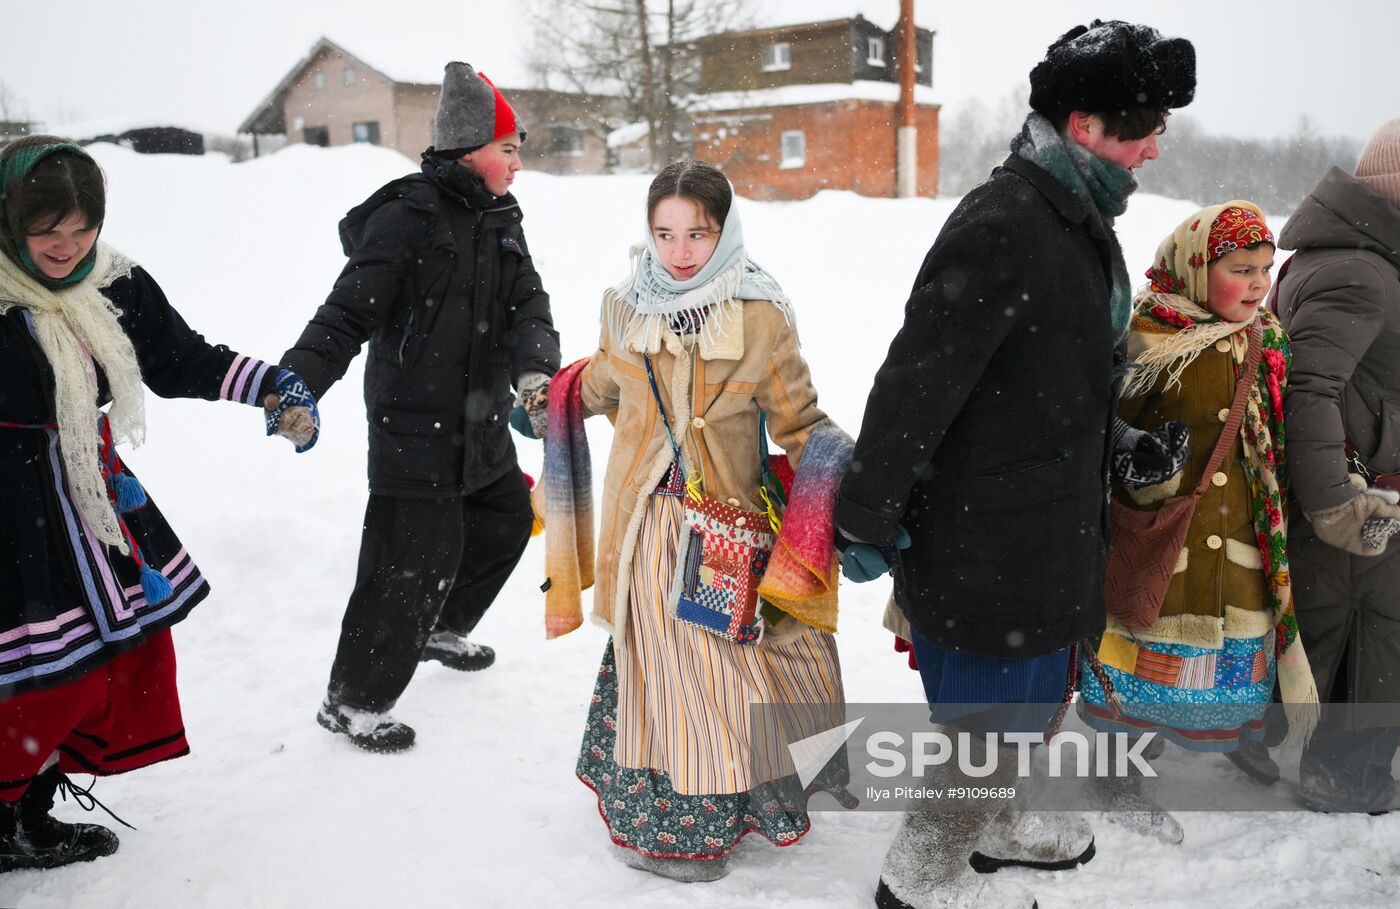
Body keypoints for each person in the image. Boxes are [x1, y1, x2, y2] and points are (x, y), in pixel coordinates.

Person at [834, 20, 1195, 909]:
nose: (1154, 146)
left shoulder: (1075, 216)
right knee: (989, 731)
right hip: (988, 533)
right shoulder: (1008, 221)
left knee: (1030, 709)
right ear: (1082, 124)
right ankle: (920, 877)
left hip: (1045, 520)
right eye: (1142, 123)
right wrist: (867, 511)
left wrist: (1120, 443)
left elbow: (1062, 378)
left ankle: (993, 823)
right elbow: (917, 381)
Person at [0, 136, 317, 872]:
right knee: (32, 673)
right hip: (12, 511)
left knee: (106, 662)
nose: (66, 245)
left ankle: (25, 808)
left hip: (87, 494)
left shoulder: (113, 284)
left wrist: (271, 384)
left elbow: (180, 357)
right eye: (47, 229)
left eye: (83, 228)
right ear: (12, 221)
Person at [563, 160, 850, 882]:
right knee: (666, 679)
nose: (680, 250)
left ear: (725, 231)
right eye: (664, 233)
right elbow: (600, 382)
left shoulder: (759, 314)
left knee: (723, 679)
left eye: (698, 232)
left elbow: (801, 421)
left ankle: (722, 811)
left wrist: (862, 484)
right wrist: (550, 400)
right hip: (646, 532)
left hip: (723, 531)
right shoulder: (625, 305)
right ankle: (669, 825)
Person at [280, 63, 560, 753]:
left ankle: (439, 624)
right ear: (471, 150)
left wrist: (534, 372)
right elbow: (347, 311)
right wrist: (296, 383)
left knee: (504, 522)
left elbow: (530, 304)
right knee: (405, 568)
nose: (518, 163)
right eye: (509, 149)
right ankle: (352, 702)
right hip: (415, 431)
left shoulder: (501, 219)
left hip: (482, 423)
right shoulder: (409, 217)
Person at [1078, 202, 1320, 842]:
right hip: (1162, 540)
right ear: (1193, 268)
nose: (1259, 284)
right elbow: (1107, 436)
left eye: (1266, 269)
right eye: (1241, 269)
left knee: (1214, 667)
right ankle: (1116, 771)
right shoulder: (1149, 339)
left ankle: (1215, 735)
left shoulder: (1267, 339)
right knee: (1136, 658)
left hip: (1240, 538)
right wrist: (1146, 466)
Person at [1274, 118, 1400, 814]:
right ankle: (1345, 775)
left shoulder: (1358, 256)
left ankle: (1267, 736)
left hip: (1366, 488)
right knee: (1374, 631)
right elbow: (1309, 386)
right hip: (1361, 502)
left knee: (1353, 627)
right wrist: (1333, 504)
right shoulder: (1362, 271)